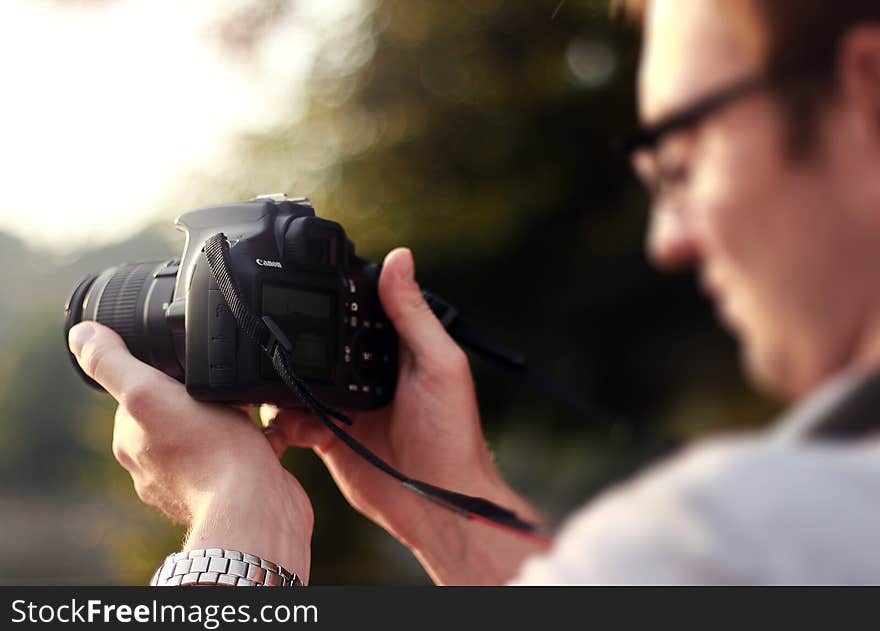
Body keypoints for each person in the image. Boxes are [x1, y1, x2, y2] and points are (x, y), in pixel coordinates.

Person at [67, 0, 880, 585]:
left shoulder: (745, 537)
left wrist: (237, 518)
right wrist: (446, 506)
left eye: (679, 160)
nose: (669, 239)